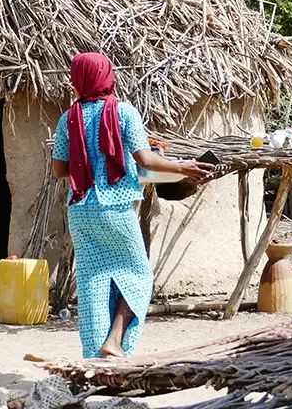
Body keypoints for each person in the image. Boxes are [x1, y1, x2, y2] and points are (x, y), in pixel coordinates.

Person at [52, 52, 212, 359]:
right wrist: (183, 167)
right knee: (138, 274)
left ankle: (95, 355)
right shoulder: (124, 112)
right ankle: (114, 341)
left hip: (81, 208)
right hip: (115, 206)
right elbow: (146, 160)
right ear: (107, 76)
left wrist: (89, 157)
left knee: (93, 281)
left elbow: (60, 170)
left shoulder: (68, 118)